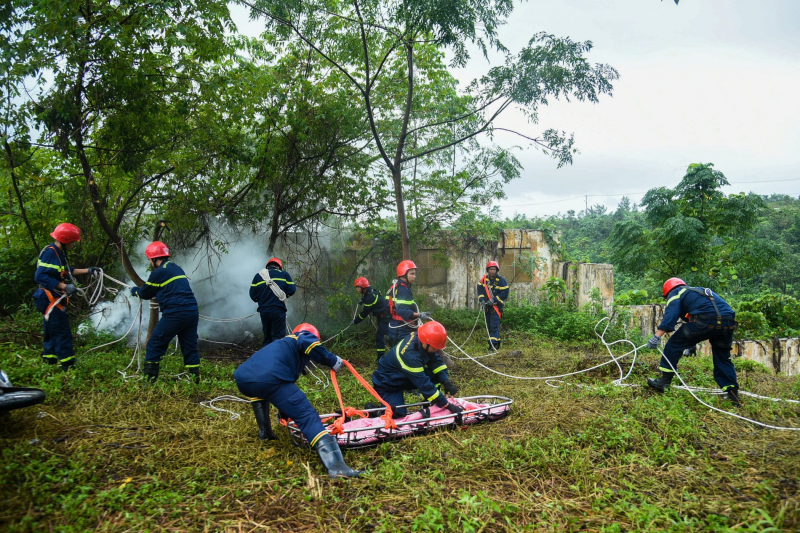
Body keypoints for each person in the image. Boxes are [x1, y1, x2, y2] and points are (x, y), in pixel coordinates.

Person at [233, 323, 363, 479]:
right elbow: (305, 341)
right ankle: (337, 467)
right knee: (307, 415)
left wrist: (285, 411)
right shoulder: (299, 337)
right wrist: (332, 360)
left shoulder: (281, 346)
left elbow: (281, 394)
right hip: (271, 379)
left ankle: (265, 431)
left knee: (262, 391)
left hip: (244, 380)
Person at [646, 277, 740, 404]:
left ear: (667, 292)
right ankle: (732, 394)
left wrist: (657, 336)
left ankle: (664, 381)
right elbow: (705, 317)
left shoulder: (676, 292)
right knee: (723, 357)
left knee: (674, 344)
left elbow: (671, 315)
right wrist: (691, 343)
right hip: (728, 322)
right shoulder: (699, 292)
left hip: (705, 320)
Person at [130, 241, 200, 383]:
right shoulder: (176, 268)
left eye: (149, 259)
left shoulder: (159, 272)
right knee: (189, 346)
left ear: (154, 258)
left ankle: (150, 381)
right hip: (192, 312)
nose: (150, 262)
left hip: (176, 313)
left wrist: (134, 291)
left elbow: (145, 293)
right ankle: (195, 380)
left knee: (154, 343)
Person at [33, 223, 98, 371]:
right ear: (65, 240)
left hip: (50, 299)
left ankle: (49, 363)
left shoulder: (57, 253)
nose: (74, 244)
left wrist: (88, 271)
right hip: (51, 299)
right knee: (62, 332)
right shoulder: (51, 253)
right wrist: (64, 287)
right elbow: (40, 276)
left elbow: (68, 271)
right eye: (73, 242)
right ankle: (68, 367)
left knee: (50, 332)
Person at [370, 321, 462, 418]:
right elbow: (423, 383)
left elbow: (436, 361)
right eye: (434, 349)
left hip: (403, 376)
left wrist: (446, 381)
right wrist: (447, 405)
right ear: (426, 343)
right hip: (387, 383)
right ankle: (374, 412)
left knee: (435, 376)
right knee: (398, 415)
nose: (436, 351)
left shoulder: (422, 339)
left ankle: (431, 403)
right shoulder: (410, 355)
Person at [249, 257, 296, 346]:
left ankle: (266, 357)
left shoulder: (258, 276)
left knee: (267, 337)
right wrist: (284, 295)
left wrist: (260, 300)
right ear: (279, 267)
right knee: (278, 338)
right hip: (278, 310)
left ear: (268, 266)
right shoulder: (284, 274)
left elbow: (252, 294)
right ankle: (277, 358)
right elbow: (292, 289)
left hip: (264, 311)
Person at [387, 260, 430, 347]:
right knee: (405, 354)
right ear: (404, 274)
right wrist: (420, 315)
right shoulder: (403, 289)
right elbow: (402, 311)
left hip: (394, 326)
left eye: (414, 274)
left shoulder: (395, 286)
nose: (415, 276)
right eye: (412, 274)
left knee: (396, 353)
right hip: (402, 328)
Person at [351, 277, 390, 361]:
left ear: (363, 287)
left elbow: (364, 314)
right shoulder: (369, 291)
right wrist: (363, 300)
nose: (357, 289)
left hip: (385, 316)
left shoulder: (369, 297)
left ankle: (381, 357)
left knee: (380, 335)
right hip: (382, 315)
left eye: (358, 287)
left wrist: (355, 321)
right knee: (386, 333)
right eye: (356, 287)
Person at [476, 260, 510, 351]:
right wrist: (482, 300)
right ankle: (497, 343)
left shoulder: (501, 281)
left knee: (494, 326)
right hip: (487, 307)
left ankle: (492, 346)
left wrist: (494, 300)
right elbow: (480, 290)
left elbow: (505, 293)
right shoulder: (484, 280)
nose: (492, 271)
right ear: (488, 270)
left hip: (496, 307)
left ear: (497, 270)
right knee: (490, 327)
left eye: (494, 269)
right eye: (490, 269)